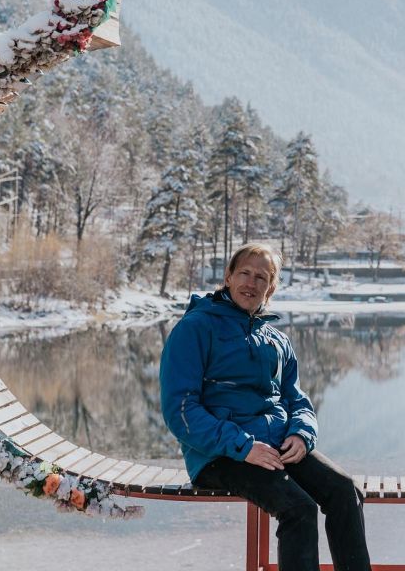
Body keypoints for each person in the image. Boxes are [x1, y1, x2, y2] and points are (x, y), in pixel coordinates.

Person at [160, 243, 372, 571]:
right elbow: (181, 410)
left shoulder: (275, 339)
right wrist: (243, 447)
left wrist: (302, 435)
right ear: (228, 277)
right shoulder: (196, 328)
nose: (251, 283)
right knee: (298, 508)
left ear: (270, 288)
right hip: (218, 456)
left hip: (276, 447)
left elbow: (297, 399)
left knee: (345, 491)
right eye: (244, 273)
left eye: (261, 277)